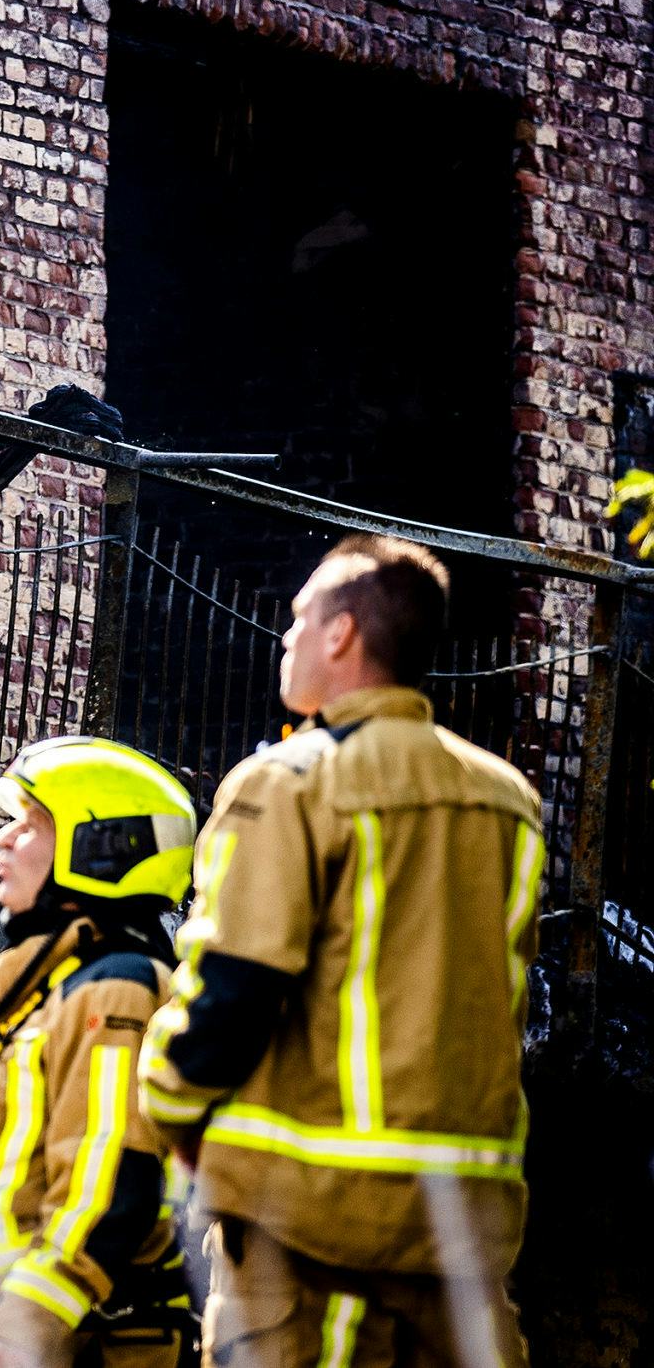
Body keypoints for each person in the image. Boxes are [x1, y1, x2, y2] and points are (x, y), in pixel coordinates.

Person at [138, 535, 541, 1367]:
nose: (285, 636)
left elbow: (232, 988)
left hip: (309, 1237)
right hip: (461, 1241)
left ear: (342, 633)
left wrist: (169, 1105)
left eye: (299, 617)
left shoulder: (287, 784)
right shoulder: (509, 802)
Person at [0, 736, 201, 1368]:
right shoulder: (46, 984)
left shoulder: (117, 989)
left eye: (31, 825)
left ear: (102, 850)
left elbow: (105, 1188)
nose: (3, 838)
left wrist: (20, 1331)